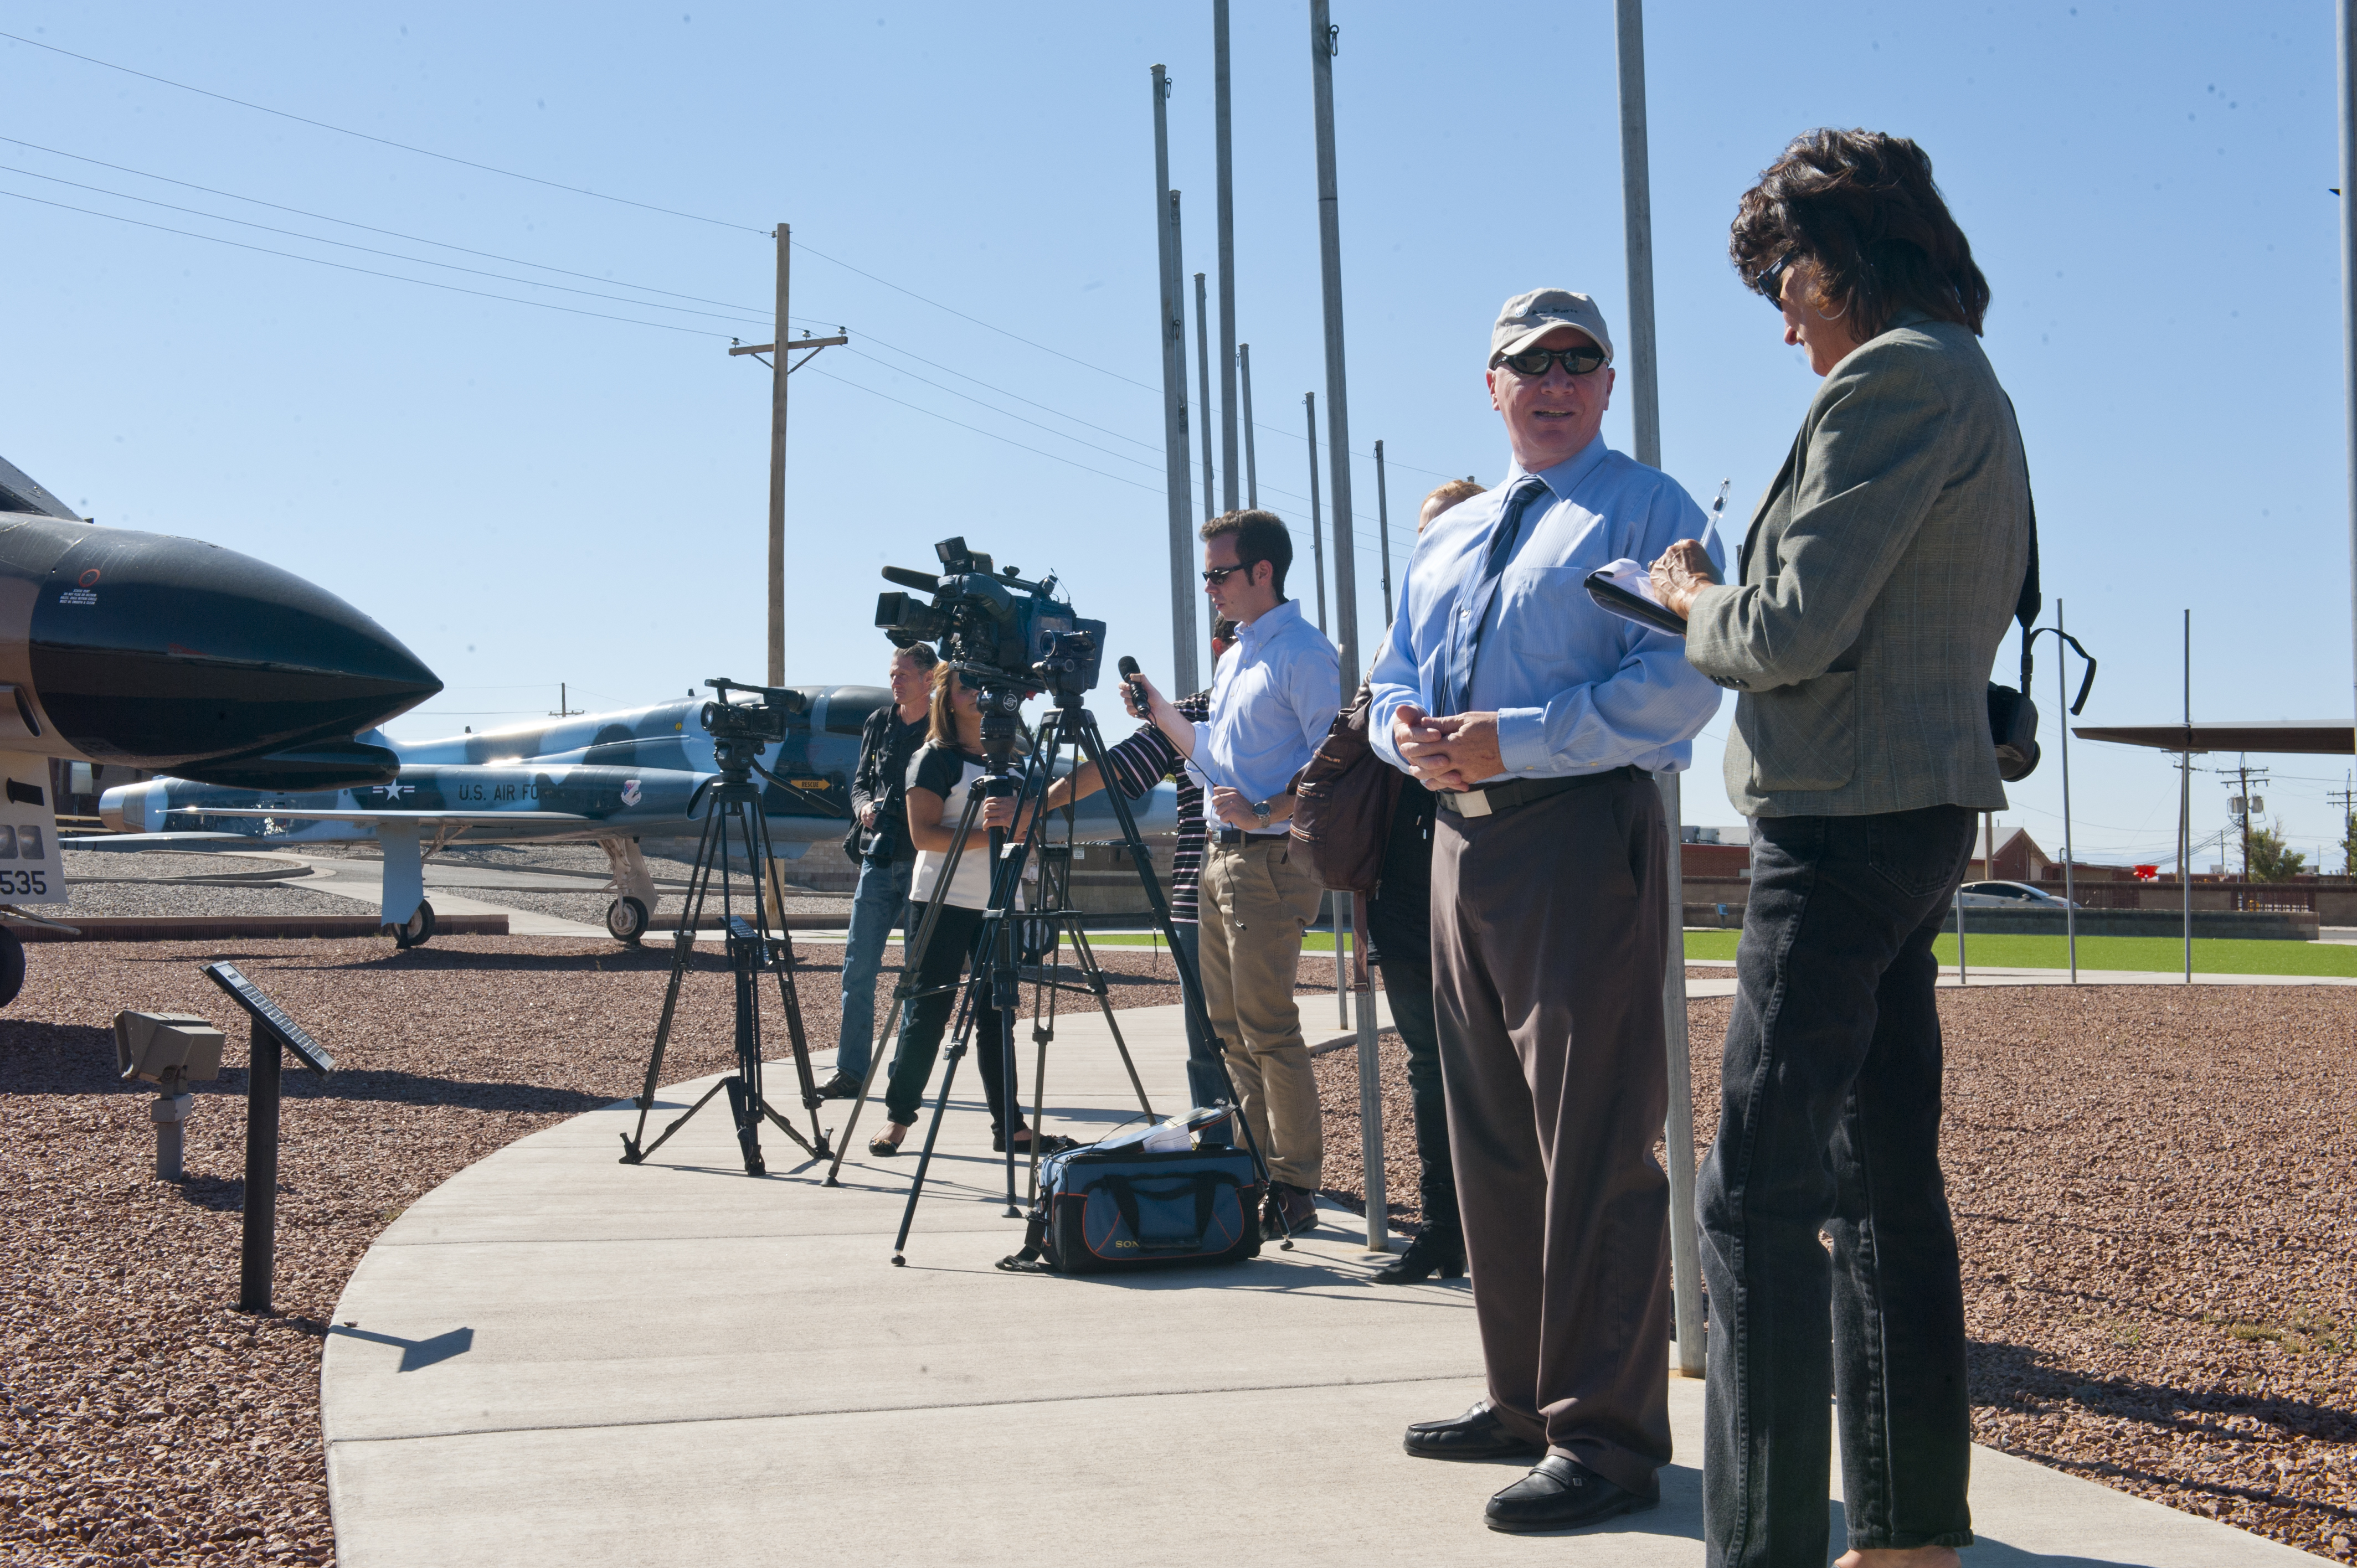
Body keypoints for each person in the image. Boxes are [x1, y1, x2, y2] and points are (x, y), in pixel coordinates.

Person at [1648, 130, 2025, 1568]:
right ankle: (1913, 1529)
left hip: (1842, 822)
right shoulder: (1965, 377)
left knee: (1755, 1194)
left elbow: (1792, 628)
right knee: (1884, 1184)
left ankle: (1762, 1546)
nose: (1784, 317)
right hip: (1917, 811)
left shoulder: (1895, 378)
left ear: (1836, 259)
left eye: (1783, 282)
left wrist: (1690, 596)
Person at [1367, 288, 1723, 1532]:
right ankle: (1524, 1403)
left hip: (1578, 838)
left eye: (1581, 362)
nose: (1556, 381)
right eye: (1532, 363)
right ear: (1491, 384)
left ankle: (1608, 1440)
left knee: (1594, 1142)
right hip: (1457, 844)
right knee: (1493, 1141)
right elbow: (1392, 669)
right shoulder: (1451, 530)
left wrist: (1507, 743)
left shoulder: (1650, 513)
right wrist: (1403, 732)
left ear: (1607, 385)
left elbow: (1679, 683)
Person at [1128, 512, 1340, 1238]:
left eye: (1219, 573)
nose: (1210, 587)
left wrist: (1266, 809)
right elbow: (1215, 757)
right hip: (1224, 856)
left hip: (1271, 859)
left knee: (1268, 1025)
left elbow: (1333, 765)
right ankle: (1257, 1165)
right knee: (1228, 1028)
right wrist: (1160, 714)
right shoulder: (1238, 657)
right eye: (1207, 574)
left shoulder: (1305, 656)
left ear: (1262, 573)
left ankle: (1296, 1180)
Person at [867, 665, 1075, 1159]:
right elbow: (924, 837)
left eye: (985, 684)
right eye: (966, 686)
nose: (979, 693)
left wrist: (1024, 831)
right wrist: (998, 838)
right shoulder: (932, 758)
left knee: (998, 1014)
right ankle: (898, 1119)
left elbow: (1032, 826)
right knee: (928, 1011)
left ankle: (1012, 1127)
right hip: (941, 899)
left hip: (1001, 902)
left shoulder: (1017, 762)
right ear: (948, 697)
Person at [1040, 618, 1235, 1107]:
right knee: (1207, 1045)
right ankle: (1217, 1154)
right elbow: (1114, 768)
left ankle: (1278, 1164)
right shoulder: (1186, 713)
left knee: (1269, 1036)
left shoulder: (1285, 705)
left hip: (1269, 886)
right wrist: (1036, 808)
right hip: (1196, 896)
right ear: (1220, 647)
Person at [1365, 478, 1482, 1287]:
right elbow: (1370, 725)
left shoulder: (1508, 626)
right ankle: (1444, 1226)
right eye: (1422, 536)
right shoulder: (1398, 643)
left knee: (1510, 1064)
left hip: (1492, 861)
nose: (1430, 547)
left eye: (1447, 532)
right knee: (1428, 1061)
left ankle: (1522, 1231)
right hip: (1407, 881)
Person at [822, 643, 938, 1098]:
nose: (896, 681)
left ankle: (902, 1076)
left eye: (904, 674)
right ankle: (851, 1073)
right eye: (893, 674)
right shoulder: (878, 723)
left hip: (924, 862)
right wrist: (863, 806)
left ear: (929, 679)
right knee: (858, 968)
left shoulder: (940, 728)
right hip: (878, 856)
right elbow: (859, 782)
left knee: (915, 974)